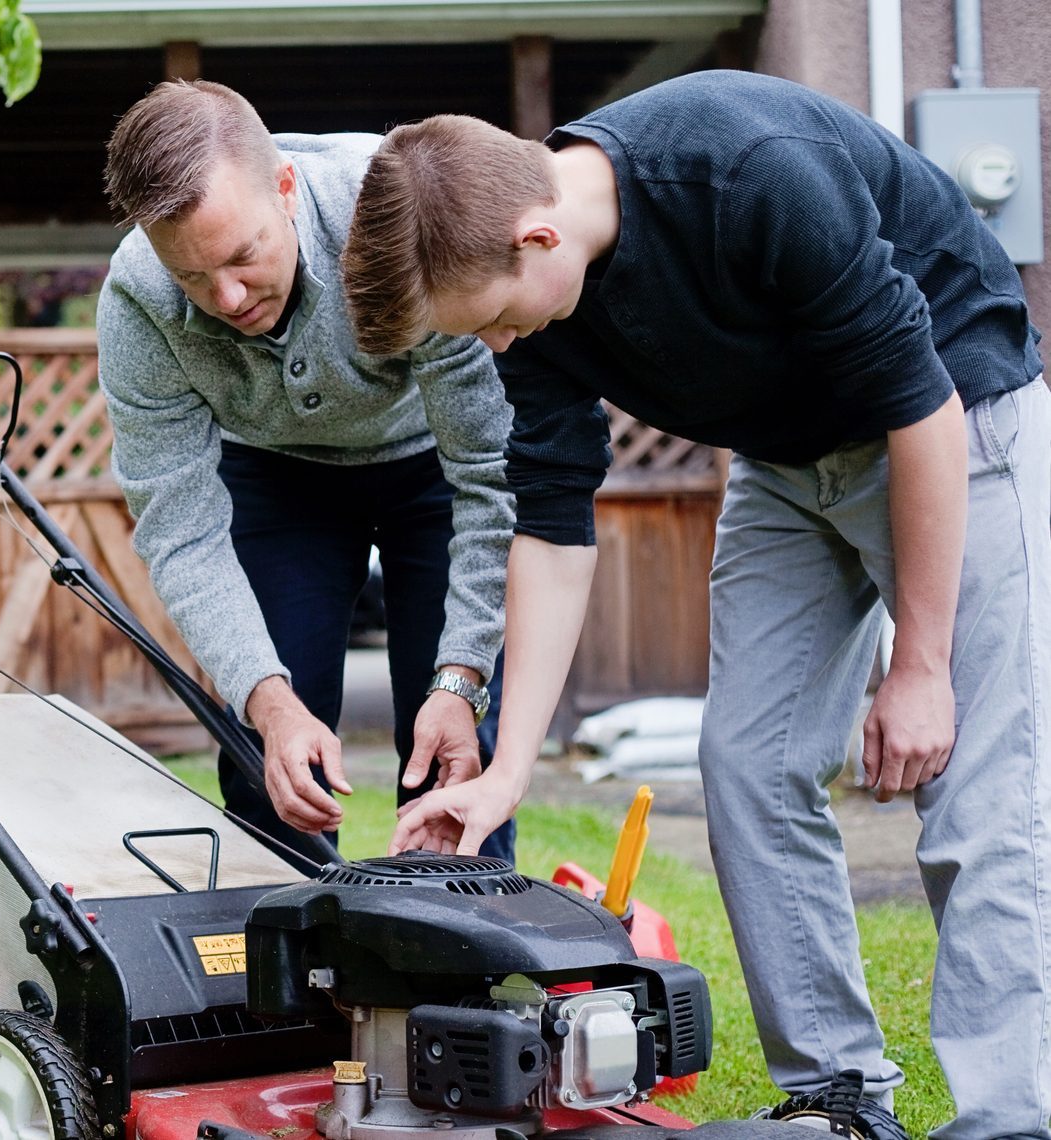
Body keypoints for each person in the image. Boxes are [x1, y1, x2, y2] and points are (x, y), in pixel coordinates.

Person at [341, 69, 1049, 1140]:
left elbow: (925, 409)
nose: (490, 346)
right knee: (750, 765)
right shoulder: (540, 310)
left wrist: (923, 665)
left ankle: (1011, 1117)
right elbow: (552, 529)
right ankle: (838, 1098)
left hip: (957, 425)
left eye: (485, 320)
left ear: (539, 239)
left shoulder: (745, 171)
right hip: (787, 459)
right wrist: (505, 773)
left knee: (983, 790)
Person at [97, 80, 516, 858]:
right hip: (276, 475)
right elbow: (180, 530)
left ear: (285, 188)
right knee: (264, 757)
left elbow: (489, 474)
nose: (224, 297)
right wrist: (268, 702)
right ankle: (286, 963)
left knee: (450, 742)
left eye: (240, 257)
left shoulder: (397, 213)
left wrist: (458, 679)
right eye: (191, 276)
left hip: (433, 465)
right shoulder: (136, 300)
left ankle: (467, 955)